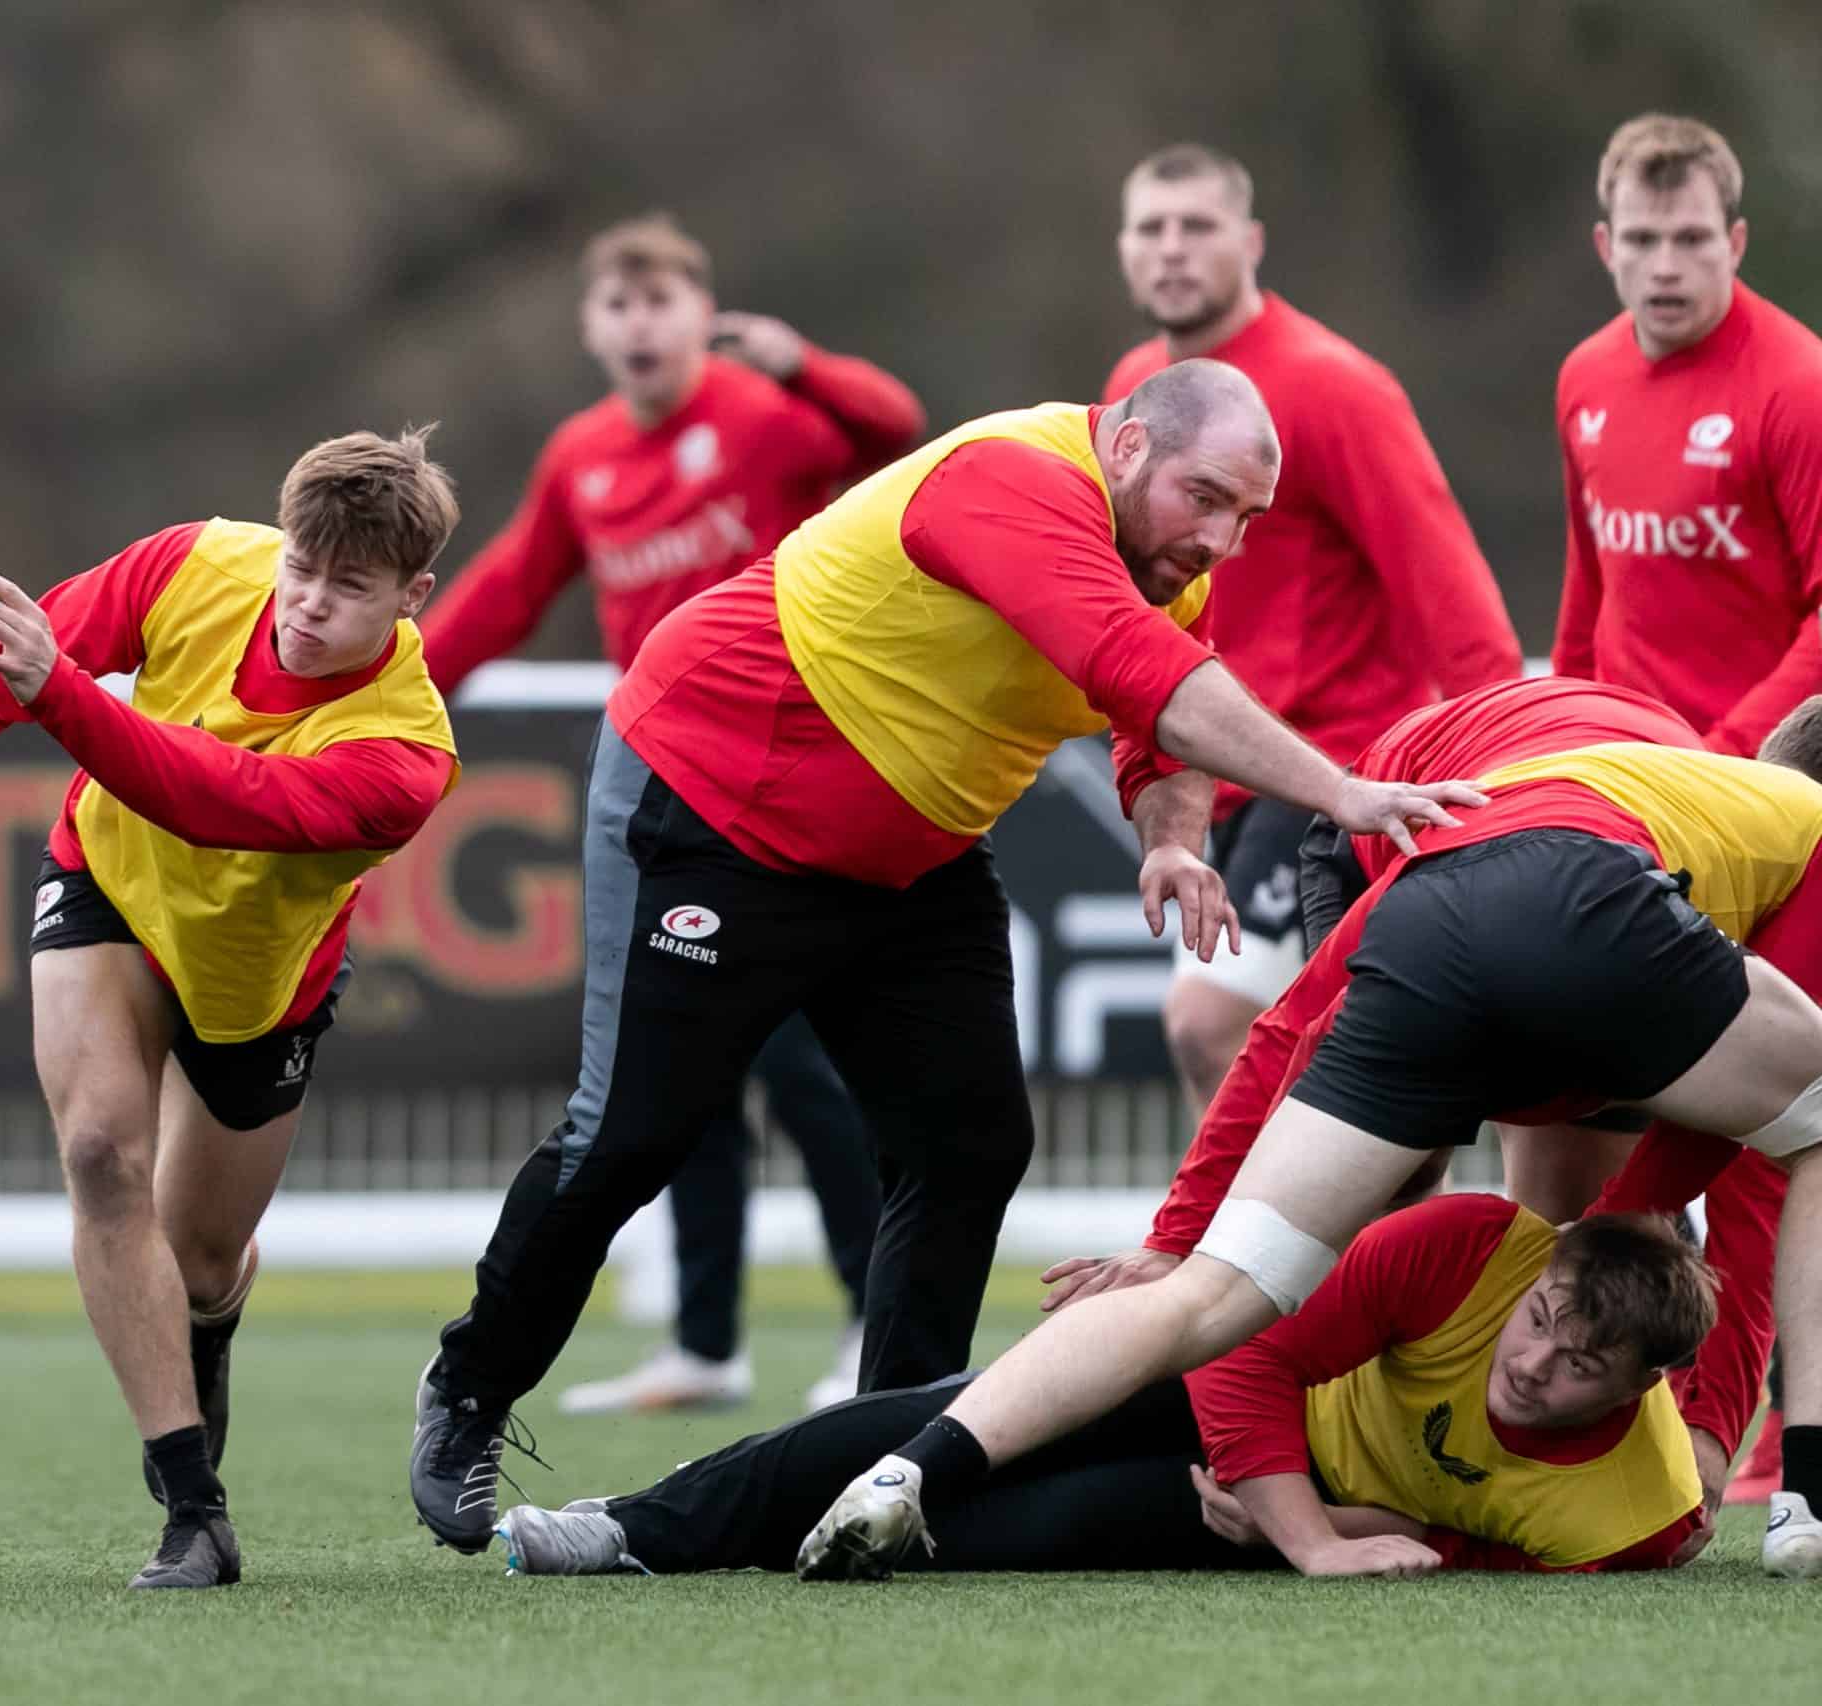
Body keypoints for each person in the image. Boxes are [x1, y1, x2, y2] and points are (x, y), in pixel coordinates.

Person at [407, 356, 1490, 1554]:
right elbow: (1157, 683)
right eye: (1207, 497)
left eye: (1247, 516)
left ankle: (886, 1461)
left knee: (968, 1141)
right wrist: (1342, 789)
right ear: (1125, 447)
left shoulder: (1166, 563)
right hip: (717, 797)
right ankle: (466, 1391)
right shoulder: (1009, 483)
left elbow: (1160, 729)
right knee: (632, 1134)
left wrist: (1171, 842)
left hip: (909, 854)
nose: (1223, 539)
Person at [797, 676, 1822, 1583]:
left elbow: (1294, 1024)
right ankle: (1806, 1495)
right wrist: (1699, 1441)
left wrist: (1180, 1238)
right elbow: (1757, 1161)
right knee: (1508, 1230)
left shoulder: (1677, 789)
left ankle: (908, 1466)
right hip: (1501, 874)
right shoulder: (1783, 831)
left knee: (1232, 1286)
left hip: (1432, 891)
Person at [0, 429, 464, 1591]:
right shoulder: (195, 564)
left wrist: (62, 698)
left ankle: (213, 1318)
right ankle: (193, 1509)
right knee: (99, 1152)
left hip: (257, 982)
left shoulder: (405, 754)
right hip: (108, 881)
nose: (306, 603)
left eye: (348, 589)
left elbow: (210, 796)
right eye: (301, 566)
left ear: (411, 594)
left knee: (198, 1263)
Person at [421, 213, 926, 1415]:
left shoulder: (760, 416)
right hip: (660, 776)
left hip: (790, 767)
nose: (639, 325)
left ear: (702, 316)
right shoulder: (582, 453)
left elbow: (895, 432)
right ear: (593, 327)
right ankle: (706, 1342)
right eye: (618, 306)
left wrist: (801, 361)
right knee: (679, 1055)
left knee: (802, 1067)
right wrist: (385, 692)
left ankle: (874, 1323)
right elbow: (502, 591)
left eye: (661, 303)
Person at [496, 1200, 1717, 1579]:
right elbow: (1248, 1351)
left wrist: (1319, 1526)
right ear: (1539, 1280)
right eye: (1543, 1321)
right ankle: (631, 1528)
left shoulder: (1639, 1514)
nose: (1533, 1360)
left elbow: (1461, 1558)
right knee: (908, 1430)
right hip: (1238, 1419)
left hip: (1274, 1516)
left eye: (1579, 1367)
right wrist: (1303, 1523)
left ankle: (752, 1551)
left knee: (1015, 1536)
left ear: (1644, 1386)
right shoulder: (1473, 1243)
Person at [1104, 143, 1520, 1114]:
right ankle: (1312, 1259)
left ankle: (1260, 1266)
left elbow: (1456, 608)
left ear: (1249, 242)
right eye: (1150, 227)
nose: (1172, 249)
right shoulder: (1135, 384)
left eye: (1196, 226)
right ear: (1123, 247)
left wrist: (1499, 785)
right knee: (1323, 1069)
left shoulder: (1335, 386)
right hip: (1214, 774)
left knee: (1209, 1025)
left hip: (1332, 775)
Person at [1550, 112, 1822, 1504]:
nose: (1665, 265)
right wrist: (1569, 745)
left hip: (1779, 813)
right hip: (1635, 809)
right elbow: (1590, 607)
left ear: (1737, 239)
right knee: (1589, 1121)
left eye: (1691, 240)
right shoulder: (1585, 378)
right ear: (1606, 245)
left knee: (1768, 1129)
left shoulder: (1795, 384)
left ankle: (1740, 1447)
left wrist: (1720, 764)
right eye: (1640, 241)